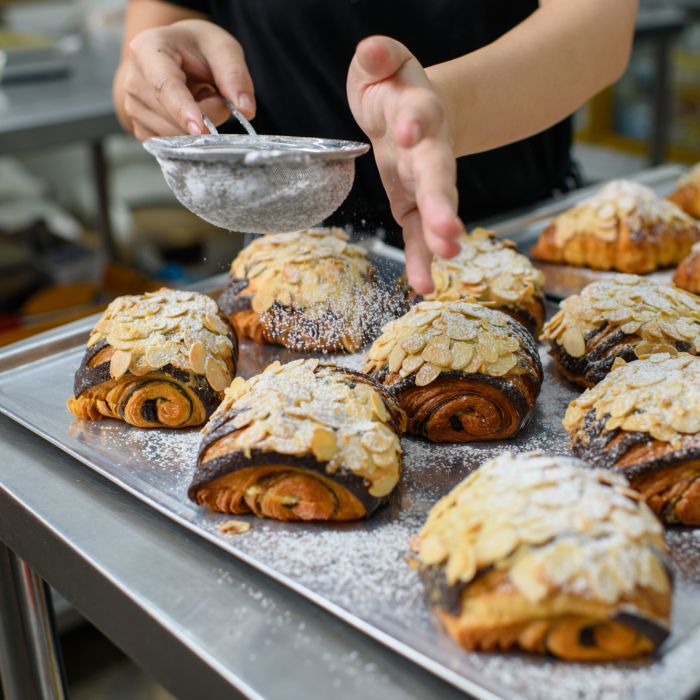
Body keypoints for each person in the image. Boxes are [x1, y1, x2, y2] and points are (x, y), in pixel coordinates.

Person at [113, 0, 637, 293]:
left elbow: (601, 27)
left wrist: (445, 107)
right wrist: (161, 76)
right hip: (291, 257)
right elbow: (151, 39)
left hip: (515, 241)